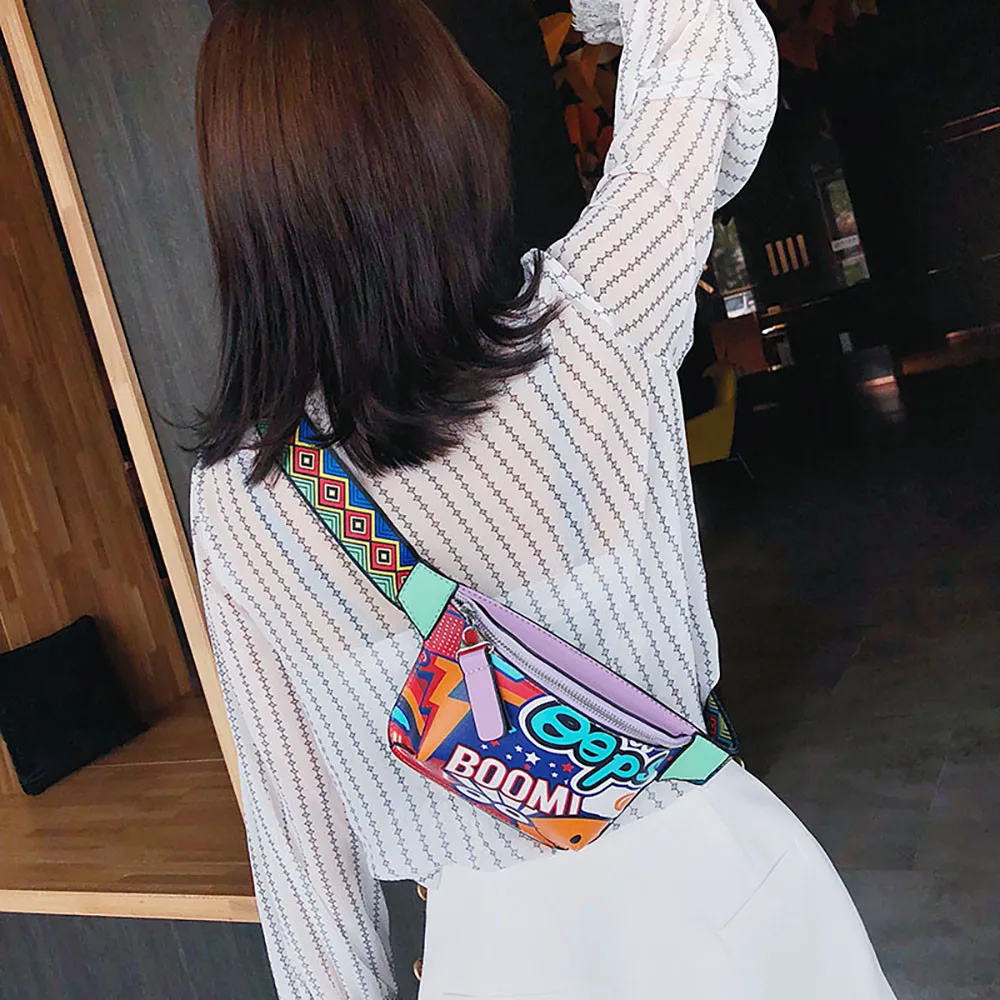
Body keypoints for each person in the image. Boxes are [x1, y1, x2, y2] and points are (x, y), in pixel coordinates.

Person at [190, 1, 897, 998]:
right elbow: (700, 34)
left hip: (498, 960)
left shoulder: (245, 501)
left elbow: (302, 857)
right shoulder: (599, 312)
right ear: (446, 124)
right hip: (732, 897)